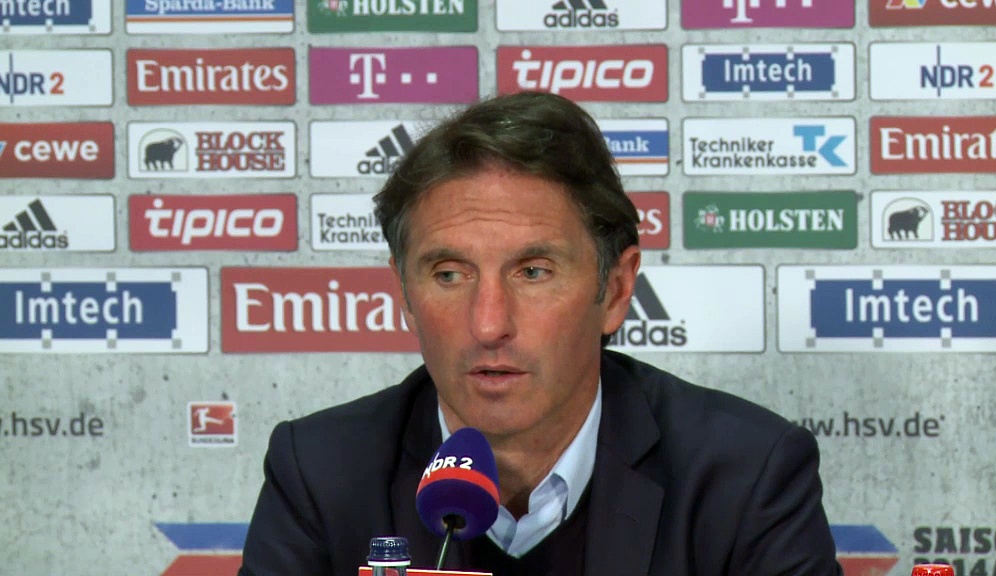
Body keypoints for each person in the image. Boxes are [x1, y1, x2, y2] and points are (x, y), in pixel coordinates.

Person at [239, 92, 842, 576]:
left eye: (533, 272)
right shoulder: (321, 473)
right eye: (449, 274)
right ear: (404, 293)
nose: (489, 324)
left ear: (615, 290)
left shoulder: (744, 476)